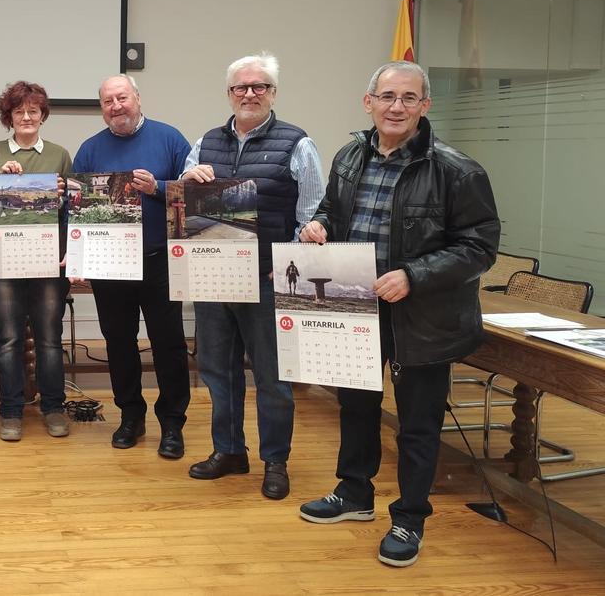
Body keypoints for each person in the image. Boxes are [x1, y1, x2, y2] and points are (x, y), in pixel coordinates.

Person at [297, 61, 499, 567]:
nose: (397, 107)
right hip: (353, 306)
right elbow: (331, 210)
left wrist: (414, 274)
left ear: (425, 106)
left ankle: (409, 518)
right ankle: (355, 494)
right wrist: (318, 226)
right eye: (387, 96)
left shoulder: (457, 170)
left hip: (424, 317)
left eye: (409, 98)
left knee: (417, 424)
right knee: (357, 408)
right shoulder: (348, 156)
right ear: (369, 102)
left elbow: (479, 246)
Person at [180, 53, 325, 500]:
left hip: (266, 279)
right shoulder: (206, 141)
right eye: (240, 87)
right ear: (229, 93)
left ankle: (275, 462)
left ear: (273, 93)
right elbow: (181, 195)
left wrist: (313, 233)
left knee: (272, 377)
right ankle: (229, 451)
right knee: (218, 372)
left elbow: (313, 212)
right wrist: (188, 176)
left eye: (259, 86)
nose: (249, 94)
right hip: (214, 277)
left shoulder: (297, 144)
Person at [73, 74, 192, 459]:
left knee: (169, 344)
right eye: (108, 101)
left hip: (160, 263)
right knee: (119, 343)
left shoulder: (170, 139)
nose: (116, 106)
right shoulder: (90, 150)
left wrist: (156, 187)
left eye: (122, 97)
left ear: (137, 98)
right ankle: (131, 416)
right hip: (110, 267)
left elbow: (193, 196)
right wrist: (76, 258)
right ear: (102, 107)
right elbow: (75, 212)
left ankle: (172, 423)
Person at [0, 81, 74, 441]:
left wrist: (64, 195)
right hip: (3, 259)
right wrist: (0, 180)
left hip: (48, 259)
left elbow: (71, 209)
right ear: (9, 117)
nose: (27, 117)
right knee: (9, 338)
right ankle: (11, 410)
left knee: (49, 338)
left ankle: (53, 407)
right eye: (19, 111)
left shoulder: (60, 154)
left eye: (34, 111)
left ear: (43, 115)